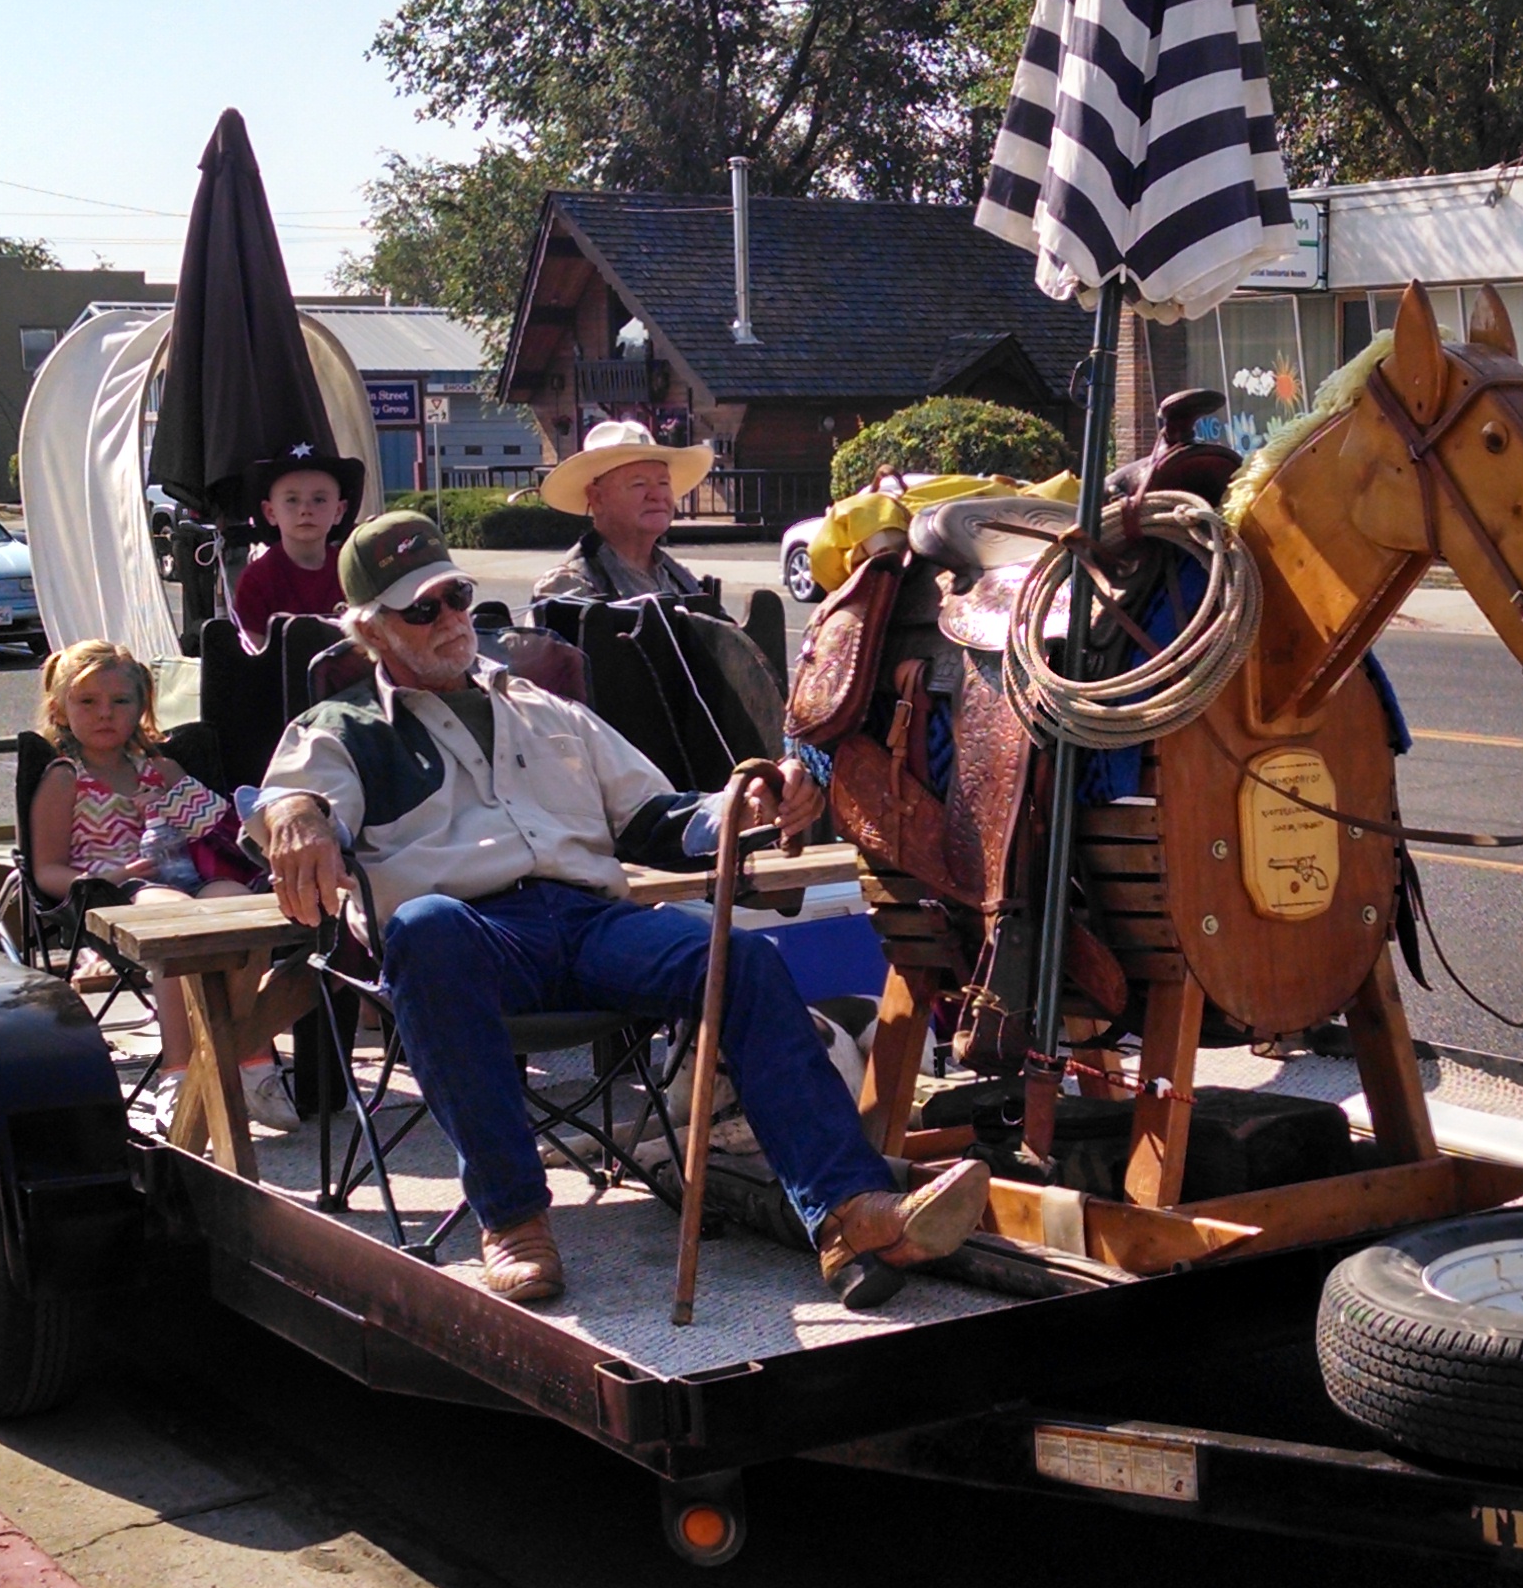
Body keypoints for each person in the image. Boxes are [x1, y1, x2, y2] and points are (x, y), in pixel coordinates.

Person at [254, 511, 984, 1307]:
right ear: (371, 630)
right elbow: (293, 797)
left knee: (739, 956)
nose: (451, 619)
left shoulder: (542, 706)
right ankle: (514, 1219)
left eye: (455, 594)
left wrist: (754, 804)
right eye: (420, 608)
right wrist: (293, 815)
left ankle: (849, 1211)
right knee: (425, 929)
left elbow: (655, 819)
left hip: (589, 922)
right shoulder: (341, 727)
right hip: (471, 940)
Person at [28, 640, 271, 1124]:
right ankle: (177, 1071)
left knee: (242, 906)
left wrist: (174, 789)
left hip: (190, 874)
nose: (106, 714)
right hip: (112, 893)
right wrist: (109, 877)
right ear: (60, 708)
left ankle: (253, 1061)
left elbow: (224, 831)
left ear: (142, 706)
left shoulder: (158, 768)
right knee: (170, 916)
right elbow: (45, 871)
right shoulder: (64, 777)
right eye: (88, 702)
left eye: (121, 701)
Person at [532, 420, 725, 611]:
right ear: (597, 498)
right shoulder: (569, 586)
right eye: (639, 484)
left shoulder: (680, 577)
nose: (657, 495)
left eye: (664, 483)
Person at [229, 433, 354, 628]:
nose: (305, 510)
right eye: (292, 500)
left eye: (319, 499)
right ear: (270, 512)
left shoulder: (353, 574)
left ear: (339, 511)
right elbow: (253, 652)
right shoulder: (256, 580)